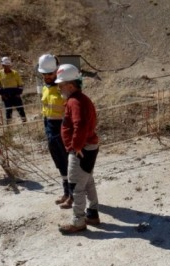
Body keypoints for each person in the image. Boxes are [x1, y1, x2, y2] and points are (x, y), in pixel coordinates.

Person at [56, 64, 100, 234]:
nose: (59, 88)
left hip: (81, 149)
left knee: (76, 186)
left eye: (61, 85)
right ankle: (92, 214)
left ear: (70, 85)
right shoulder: (81, 99)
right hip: (88, 146)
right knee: (87, 181)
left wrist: (76, 146)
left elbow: (79, 125)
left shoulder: (75, 102)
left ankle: (78, 221)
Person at [38, 54, 73, 208]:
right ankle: (66, 192)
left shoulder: (63, 87)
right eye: (44, 74)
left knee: (69, 163)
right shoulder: (45, 87)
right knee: (59, 163)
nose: (46, 77)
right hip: (49, 128)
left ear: (56, 71)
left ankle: (73, 195)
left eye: (49, 74)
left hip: (63, 128)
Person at [0, 56, 27, 124]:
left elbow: (20, 84)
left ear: (10, 65)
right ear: (2, 65)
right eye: (5, 65)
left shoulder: (15, 73)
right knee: (8, 111)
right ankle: (9, 126)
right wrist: (3, 95)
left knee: (20, 109)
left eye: (8, 65)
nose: (6, 67)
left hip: (15, 95)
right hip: (6, 96)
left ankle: (25, 123)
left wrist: (18, 94)